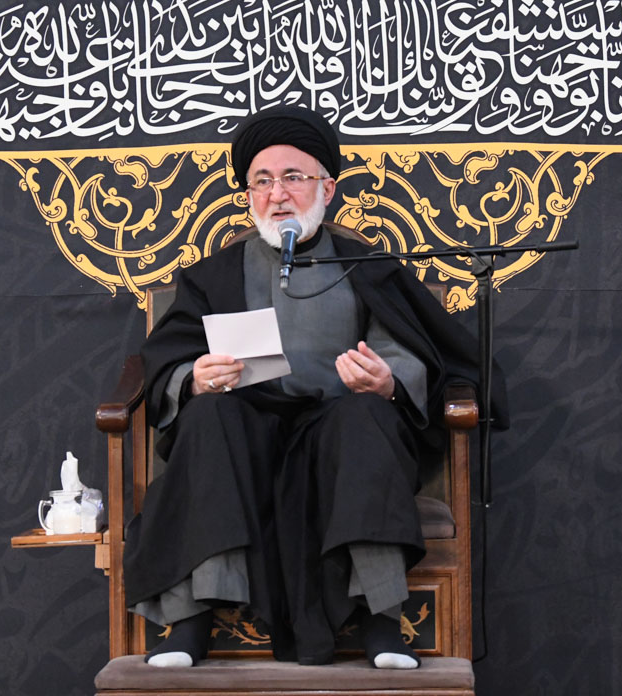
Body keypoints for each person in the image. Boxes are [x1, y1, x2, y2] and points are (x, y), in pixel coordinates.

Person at [122, 104, 503, 669]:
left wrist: (387, 382)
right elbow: (170, 360)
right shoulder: (213, 276)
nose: (278, 195)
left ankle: (382, 623)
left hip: (336, 433)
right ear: (249, 196)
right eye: (262, 181)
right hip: (244, 435)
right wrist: (194, 379)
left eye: (293, 177)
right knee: (208, 416)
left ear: (327, 187)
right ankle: (191, 624)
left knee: (366, 416)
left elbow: (406, 352)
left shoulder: (368, 267)